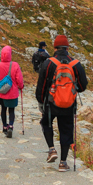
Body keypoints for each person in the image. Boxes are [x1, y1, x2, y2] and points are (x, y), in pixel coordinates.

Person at [35, 34, 87, 172]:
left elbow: (41, 84)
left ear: (55, 47)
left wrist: (40, 101)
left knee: (45, 123)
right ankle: (63, 163)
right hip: (69, 105)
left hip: (51, 104)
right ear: (67, 47)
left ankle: (52, 149)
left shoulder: (48, 63)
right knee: (66, 130)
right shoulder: (75, 64)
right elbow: (83, 86)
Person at [0, 45, 25, 138]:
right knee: (11, 110)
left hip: (2, 92)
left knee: (3, 109)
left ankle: (4, 126)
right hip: (12, 93)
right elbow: (19, 79)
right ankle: (10, 126)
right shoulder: (15, 65)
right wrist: (21, 86)